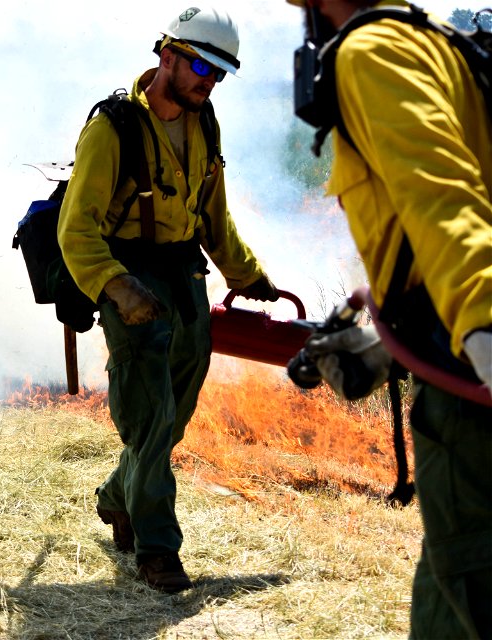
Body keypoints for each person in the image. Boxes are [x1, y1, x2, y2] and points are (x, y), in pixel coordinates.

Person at [285, 0, 492, 637]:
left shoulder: (372, 52)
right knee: (444, 596)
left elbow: (445, 205)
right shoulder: (440, 46)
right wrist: (384, 334)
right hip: (452, 367)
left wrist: (483, 327)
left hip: (470, 399)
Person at [57, 6, 279, 593]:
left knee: (172, 417)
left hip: (185, 274)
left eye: (220, 72)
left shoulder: (206, 124)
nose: (209, 80)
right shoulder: (114, 127)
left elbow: (213, 214)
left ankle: (114, 496)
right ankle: (157, 550)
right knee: (150, 416)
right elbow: (76, 229)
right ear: (168, 54)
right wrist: (116, 285)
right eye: (202, 65)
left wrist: (247, 274)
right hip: (129, 272)